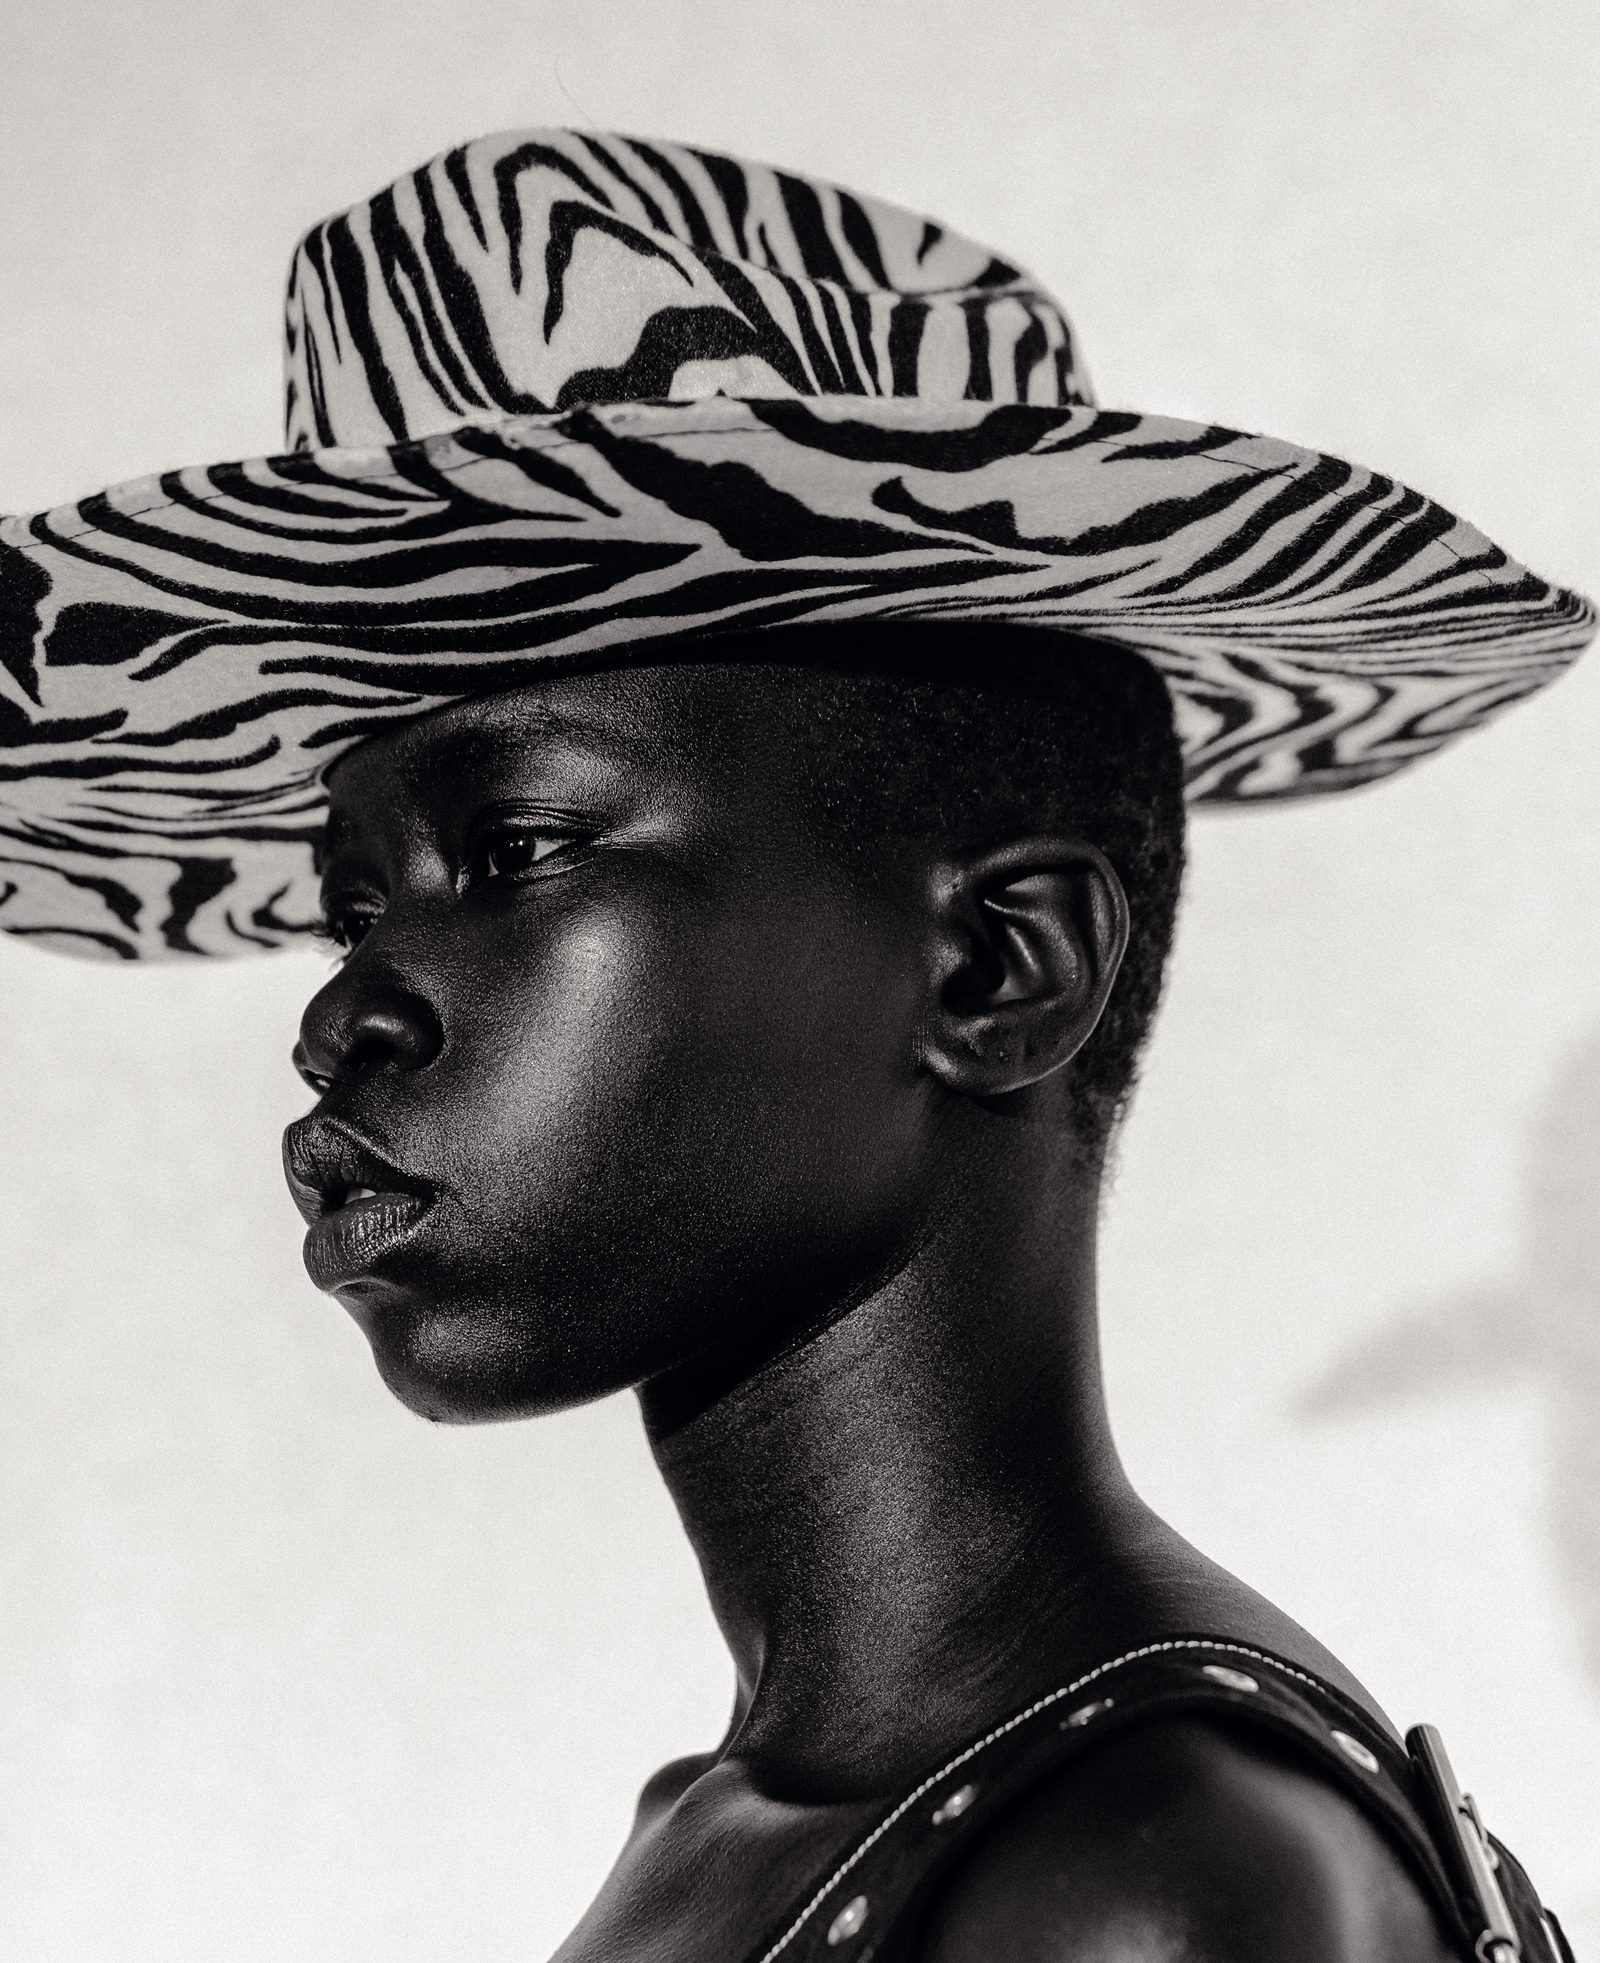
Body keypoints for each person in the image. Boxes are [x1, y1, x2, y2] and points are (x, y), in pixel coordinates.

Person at [0, 130, 1591, 1960]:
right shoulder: (767, 1822)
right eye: (358, 907)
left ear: (995, 969)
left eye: (512, 851)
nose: (338, 1011)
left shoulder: (1145, 1887)